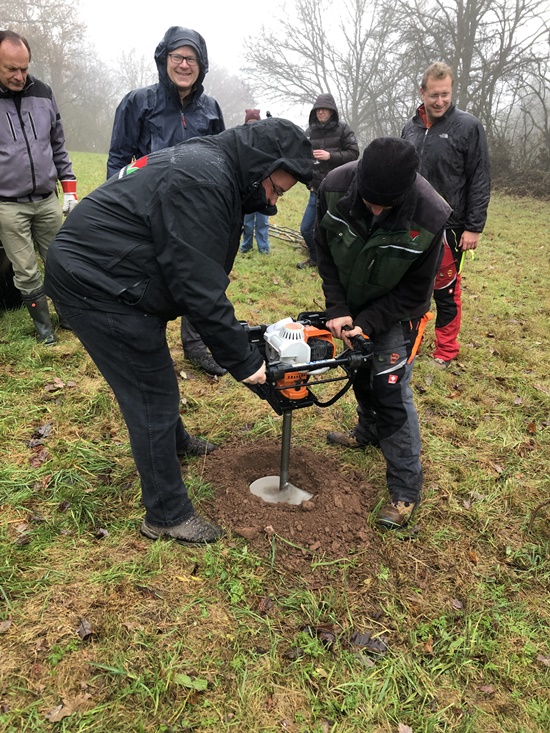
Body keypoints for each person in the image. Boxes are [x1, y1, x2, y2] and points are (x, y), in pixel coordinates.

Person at [44, 118, 313, 546]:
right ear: (262, 165)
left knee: (153, 374)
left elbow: (196, 273)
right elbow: (198, 286)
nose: (273, 203)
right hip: (95, 282)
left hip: (118, 273)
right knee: (150, 392)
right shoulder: (203, 179)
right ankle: (166, 514)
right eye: (276, 190)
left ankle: (176, 442)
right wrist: (247, 364)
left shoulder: (214, 168)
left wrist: (237, 339)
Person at [316, 137, 451, 529]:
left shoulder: (430, 215)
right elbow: (323, 252)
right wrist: (338, 309)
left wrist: (371, 321)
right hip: (351, 299)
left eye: (384, 205)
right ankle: (366, 431)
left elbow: (415, 292)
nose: (375, 210)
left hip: (397, 312)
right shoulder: (334, 187)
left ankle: (405, 491)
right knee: (359, 368)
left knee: (390, 389)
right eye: (370, 201)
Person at [107, 26, 227, 377]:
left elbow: (221, 160)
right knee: (151, 280)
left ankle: (196, 346)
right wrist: (120, 208)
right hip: (148, 210)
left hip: (196, 214)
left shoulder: (211, 108)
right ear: (164, 59)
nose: (184, 65)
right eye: (177, 57)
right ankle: (149, 351)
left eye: (191, 58)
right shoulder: (138, 102)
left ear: (202, 65)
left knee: (199, 279)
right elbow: (119, 159)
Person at [402, 61, 491, 368]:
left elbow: (480, 177)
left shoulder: (468, 127)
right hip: (413, 223)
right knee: (409, 286)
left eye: (446, 94)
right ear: (422, 92)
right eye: (434, 95)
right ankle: (406, 341)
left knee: (446, 291)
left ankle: (446, 350)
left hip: (450, 227)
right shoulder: (409, 128)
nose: (440, 101)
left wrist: (474, 227)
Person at [0, 29, 77, 345]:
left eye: (24, 68)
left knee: (61, 262)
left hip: (46, 199)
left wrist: (69, 188)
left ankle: (70, 319)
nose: (20, 76)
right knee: (27, 272)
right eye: (11, 69)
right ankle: (46, 333)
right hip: (8, 205)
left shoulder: (44, 93)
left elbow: (57, 143)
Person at [298, 93, 359, 269]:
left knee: (332, 229)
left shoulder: (344, 129)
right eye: (318, 109)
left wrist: (330, 156)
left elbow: (354, 154)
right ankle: (315, 258)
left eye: (325, 109)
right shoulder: (309, 132)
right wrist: (308, 180)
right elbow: (303, 157)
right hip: (315, 189)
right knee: (306, 228)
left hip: (337, 190)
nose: (321, 112)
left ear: (332, 112)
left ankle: (333, 264)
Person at [240, 110, 270, 255]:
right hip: (247, 186)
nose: (252, 126)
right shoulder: (241, 140)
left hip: (264, 185)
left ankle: (263, 247)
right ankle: (246, 246)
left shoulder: (266, 140)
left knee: (263, 220)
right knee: (247, 220)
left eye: (255, 123)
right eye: (249, 123)